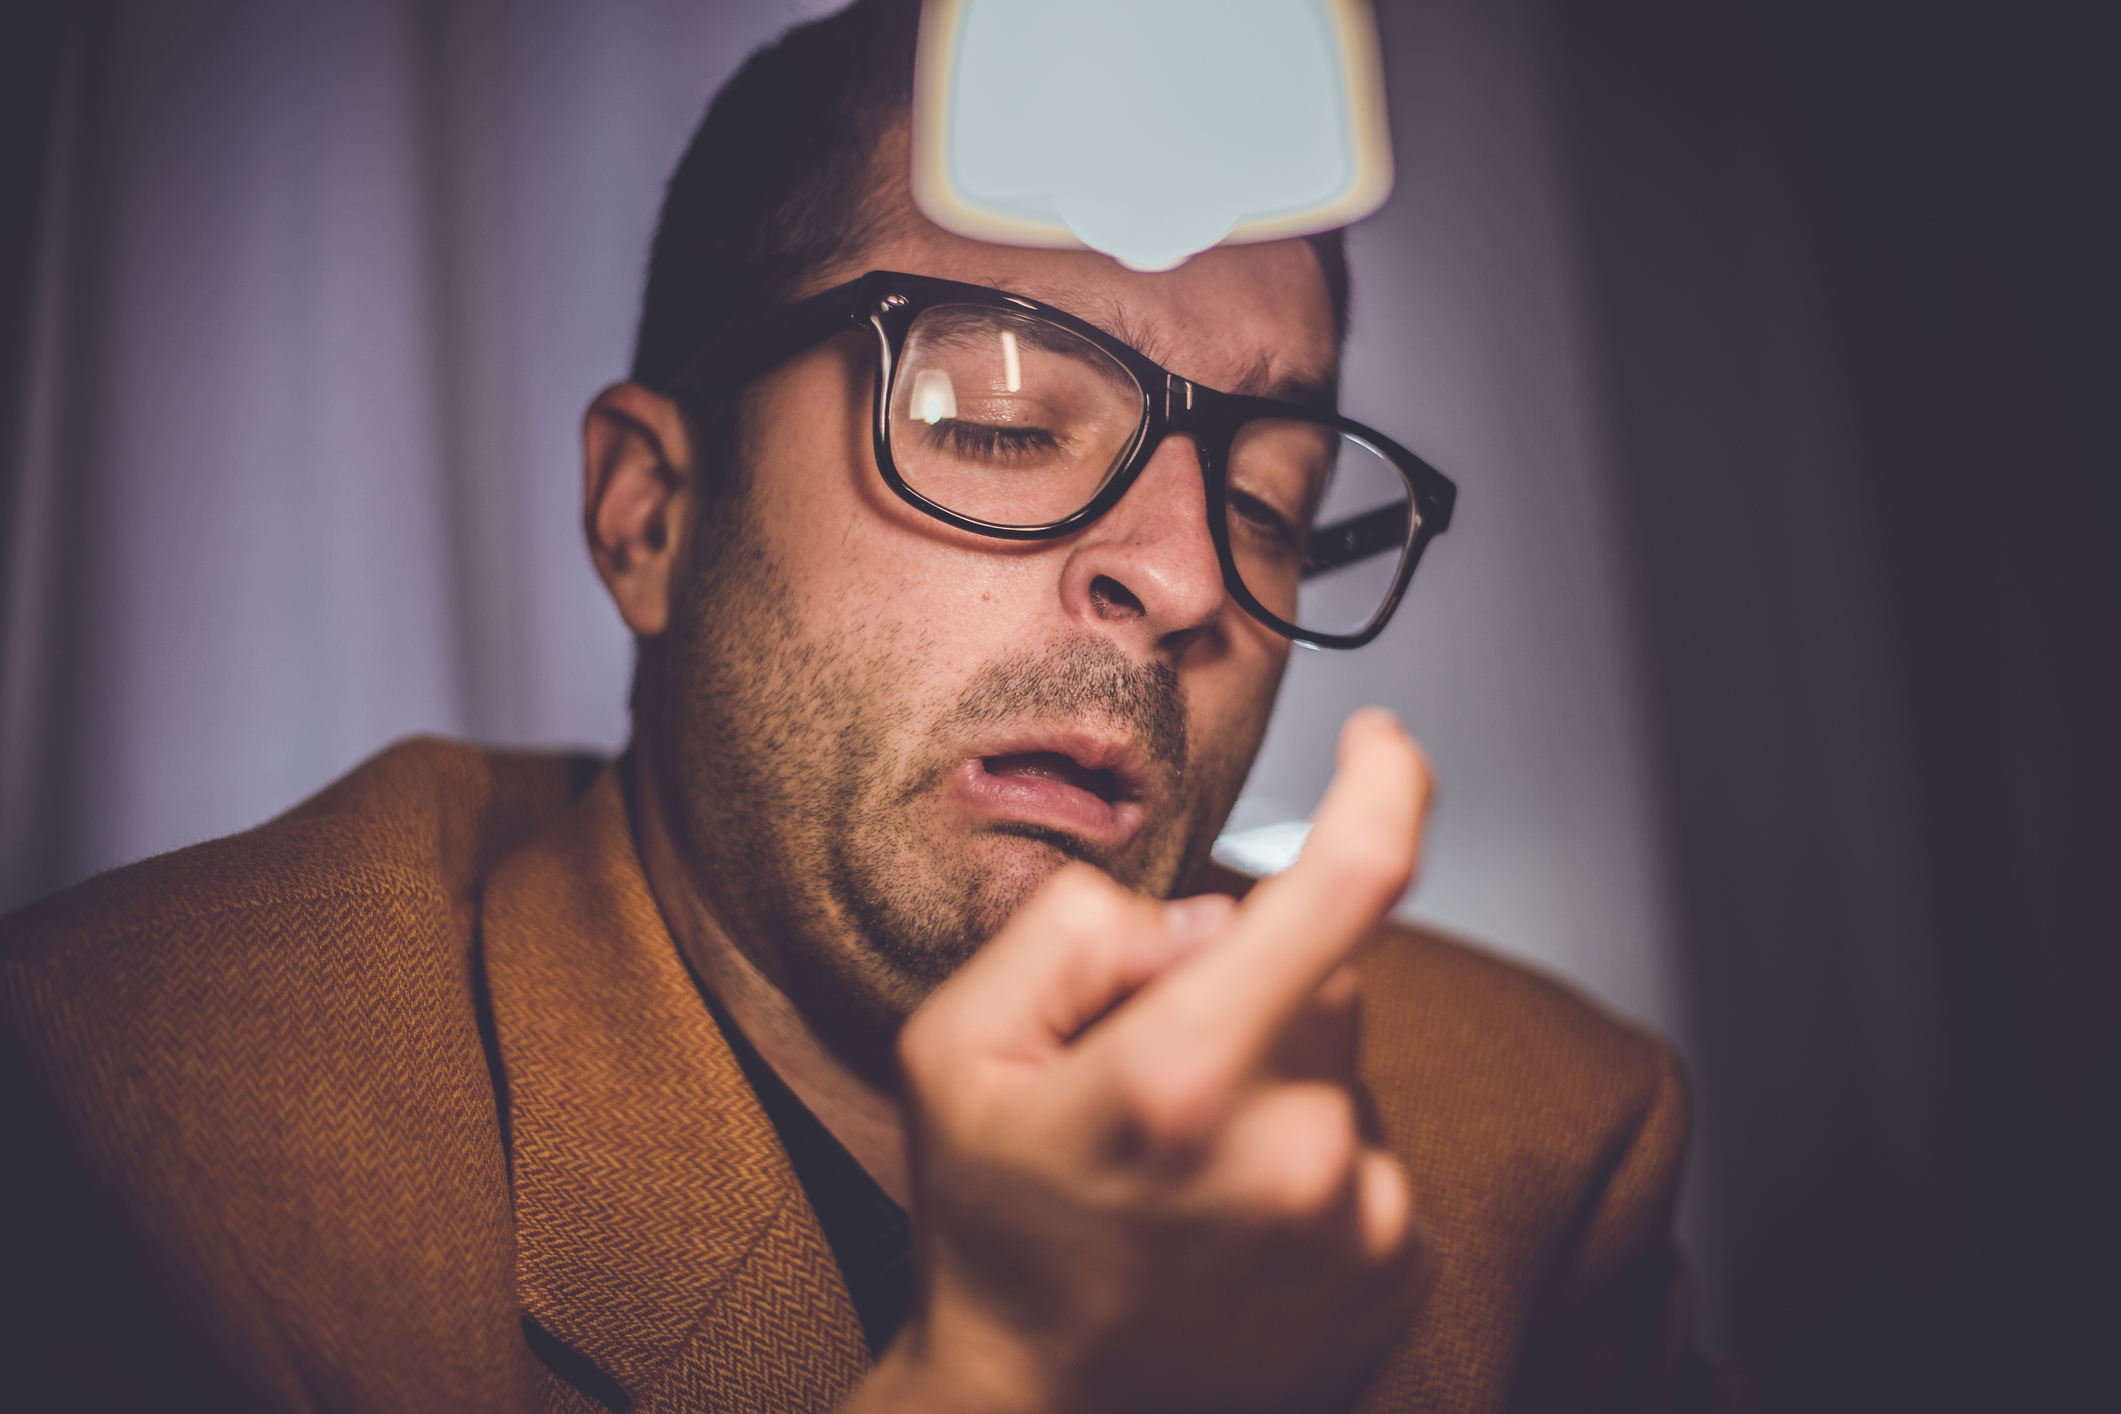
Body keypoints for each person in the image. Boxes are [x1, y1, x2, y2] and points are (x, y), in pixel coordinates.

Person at [0, 2, 1747, 1410]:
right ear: (652, 516)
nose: (1191, 579)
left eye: (1271, 505)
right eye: (996, 417)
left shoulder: (1535, 1141)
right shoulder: (149, 1112)